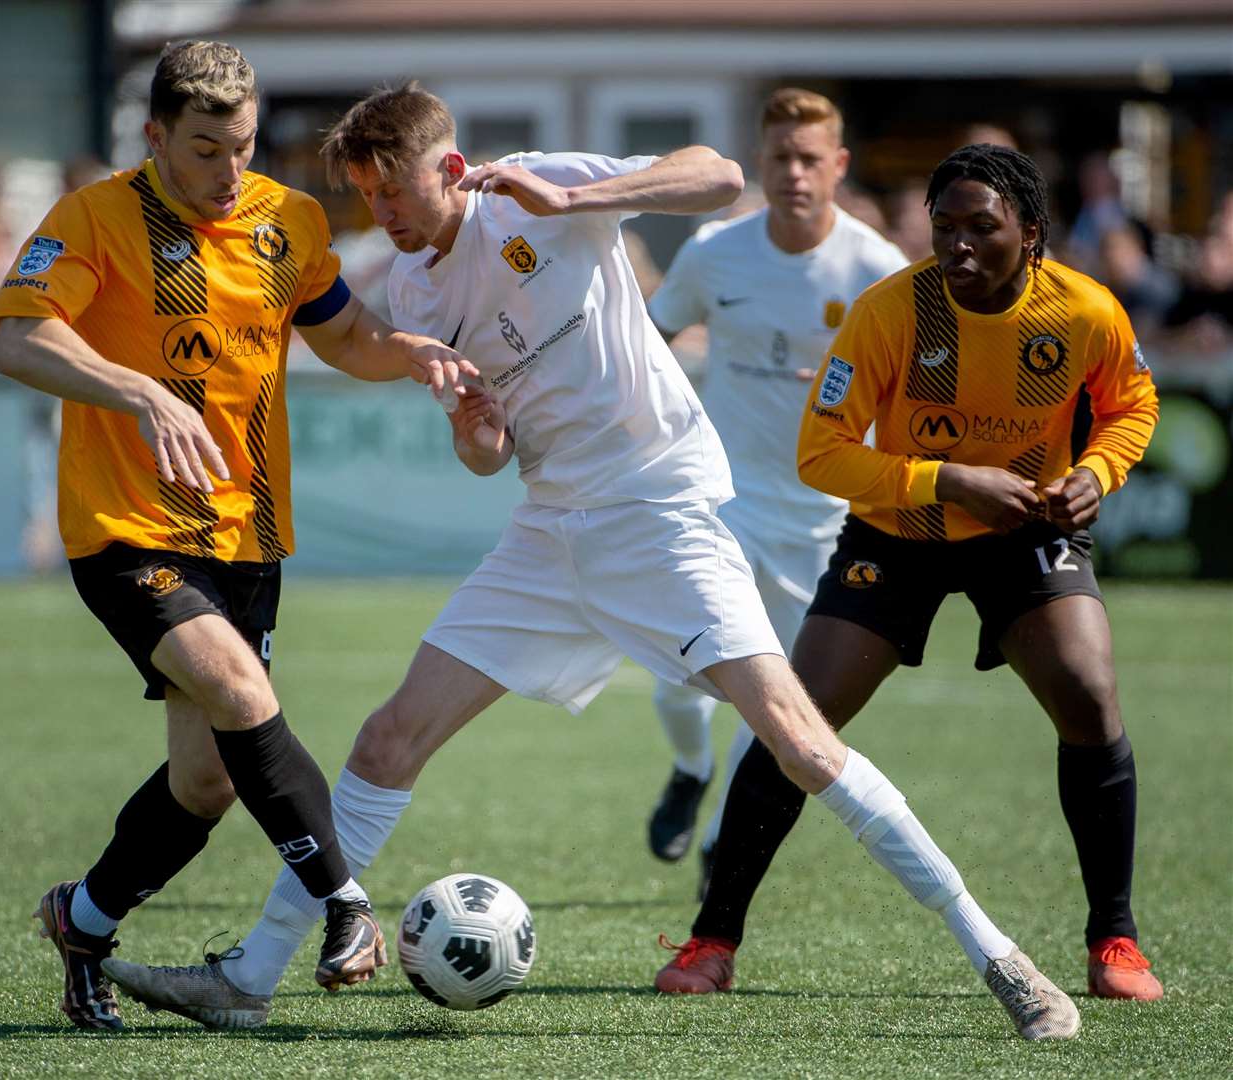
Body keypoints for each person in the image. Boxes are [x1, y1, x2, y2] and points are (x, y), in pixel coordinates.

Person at [103, 85, 1079, 1041]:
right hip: (550, 526)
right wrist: (477, 427)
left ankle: (1001, 958)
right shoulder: (409, 290)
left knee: (800, 741)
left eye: (392, 190)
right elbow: (485, 454)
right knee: (385, 741)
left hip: (659, 509)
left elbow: (714, 175)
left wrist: (579, 200)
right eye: (366, 196)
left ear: (449, 167)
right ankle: (250, 978)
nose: (382, 215)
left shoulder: (537, 187)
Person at [0, 43, 474, 1032]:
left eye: (241, 148)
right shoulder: (93, 217)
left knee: (204, 778)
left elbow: (342, 334)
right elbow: (18, 335)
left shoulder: (285, 220)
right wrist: (136, 392)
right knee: (245, 693)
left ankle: (83, 923)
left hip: (246, 534)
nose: (227, 172)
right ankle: (346, 907)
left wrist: (407, 353)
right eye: (205, 150)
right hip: (126, 529)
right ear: (155, 135)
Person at [653, 144, 1163, 1006]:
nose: (958, 246)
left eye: (982, 227)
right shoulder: (890, 311)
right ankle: (712, 938)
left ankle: (1114, 938)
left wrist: (1097, 472)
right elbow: (822, 451)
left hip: (1026, 532)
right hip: (899, 532)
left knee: (1087, 693)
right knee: (797, 723)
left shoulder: (1086, 311)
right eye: (944, 227)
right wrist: (947, 478)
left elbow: (1130, 405)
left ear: (1032, 233)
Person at [643, 88, 907, 896]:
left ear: (838, 166)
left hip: (823, 525)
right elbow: (648, 341)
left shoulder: (879, 274)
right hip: (717, 502)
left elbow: (912, 400)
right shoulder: (714, 251)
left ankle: (721, 840)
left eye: (809, 158)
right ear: (760, 163)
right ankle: (690, 768)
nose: (793, 173)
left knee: (783, 707)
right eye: (779, 158)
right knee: (674, 676)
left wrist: (850, 391)